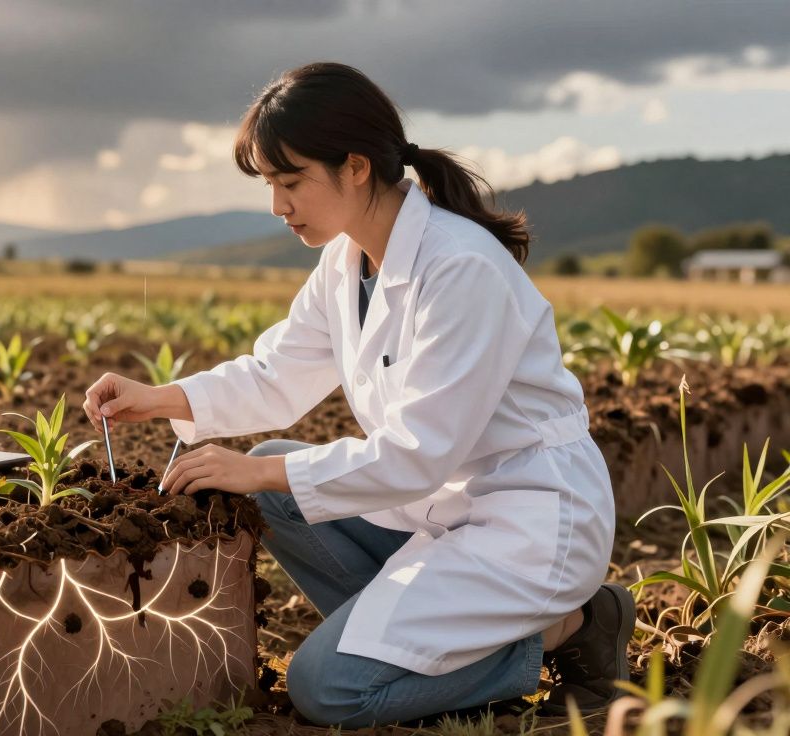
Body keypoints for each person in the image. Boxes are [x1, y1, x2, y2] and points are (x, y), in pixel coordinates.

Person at [82, 62, 631, 728]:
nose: (279, 206)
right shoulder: (345, 263)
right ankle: (415, 642)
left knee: (328, 690)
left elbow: (417, 454)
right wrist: (158, 398)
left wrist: (253, 469)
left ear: (356, 168)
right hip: (439, 509)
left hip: (529, 518)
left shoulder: (460, 267)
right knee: (279, 475)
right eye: (269, 185)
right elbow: (276, 374)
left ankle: (566, 630)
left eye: (291, 182)